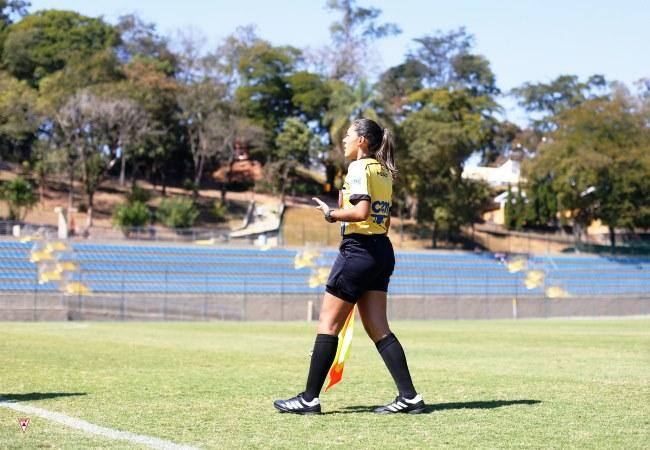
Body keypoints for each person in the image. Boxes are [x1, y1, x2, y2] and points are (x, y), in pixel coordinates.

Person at [273, 118, 424, 415]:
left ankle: (309, 399)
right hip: (381, 250)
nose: (344, 140)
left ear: (363, 141)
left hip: (358, 252)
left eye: (348, 135)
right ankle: (410, 397)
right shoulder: (383, 170)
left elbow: (361, 211)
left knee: (328, 324)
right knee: (379, 328)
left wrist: (332, 214)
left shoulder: (359, 168)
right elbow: (384, 218)